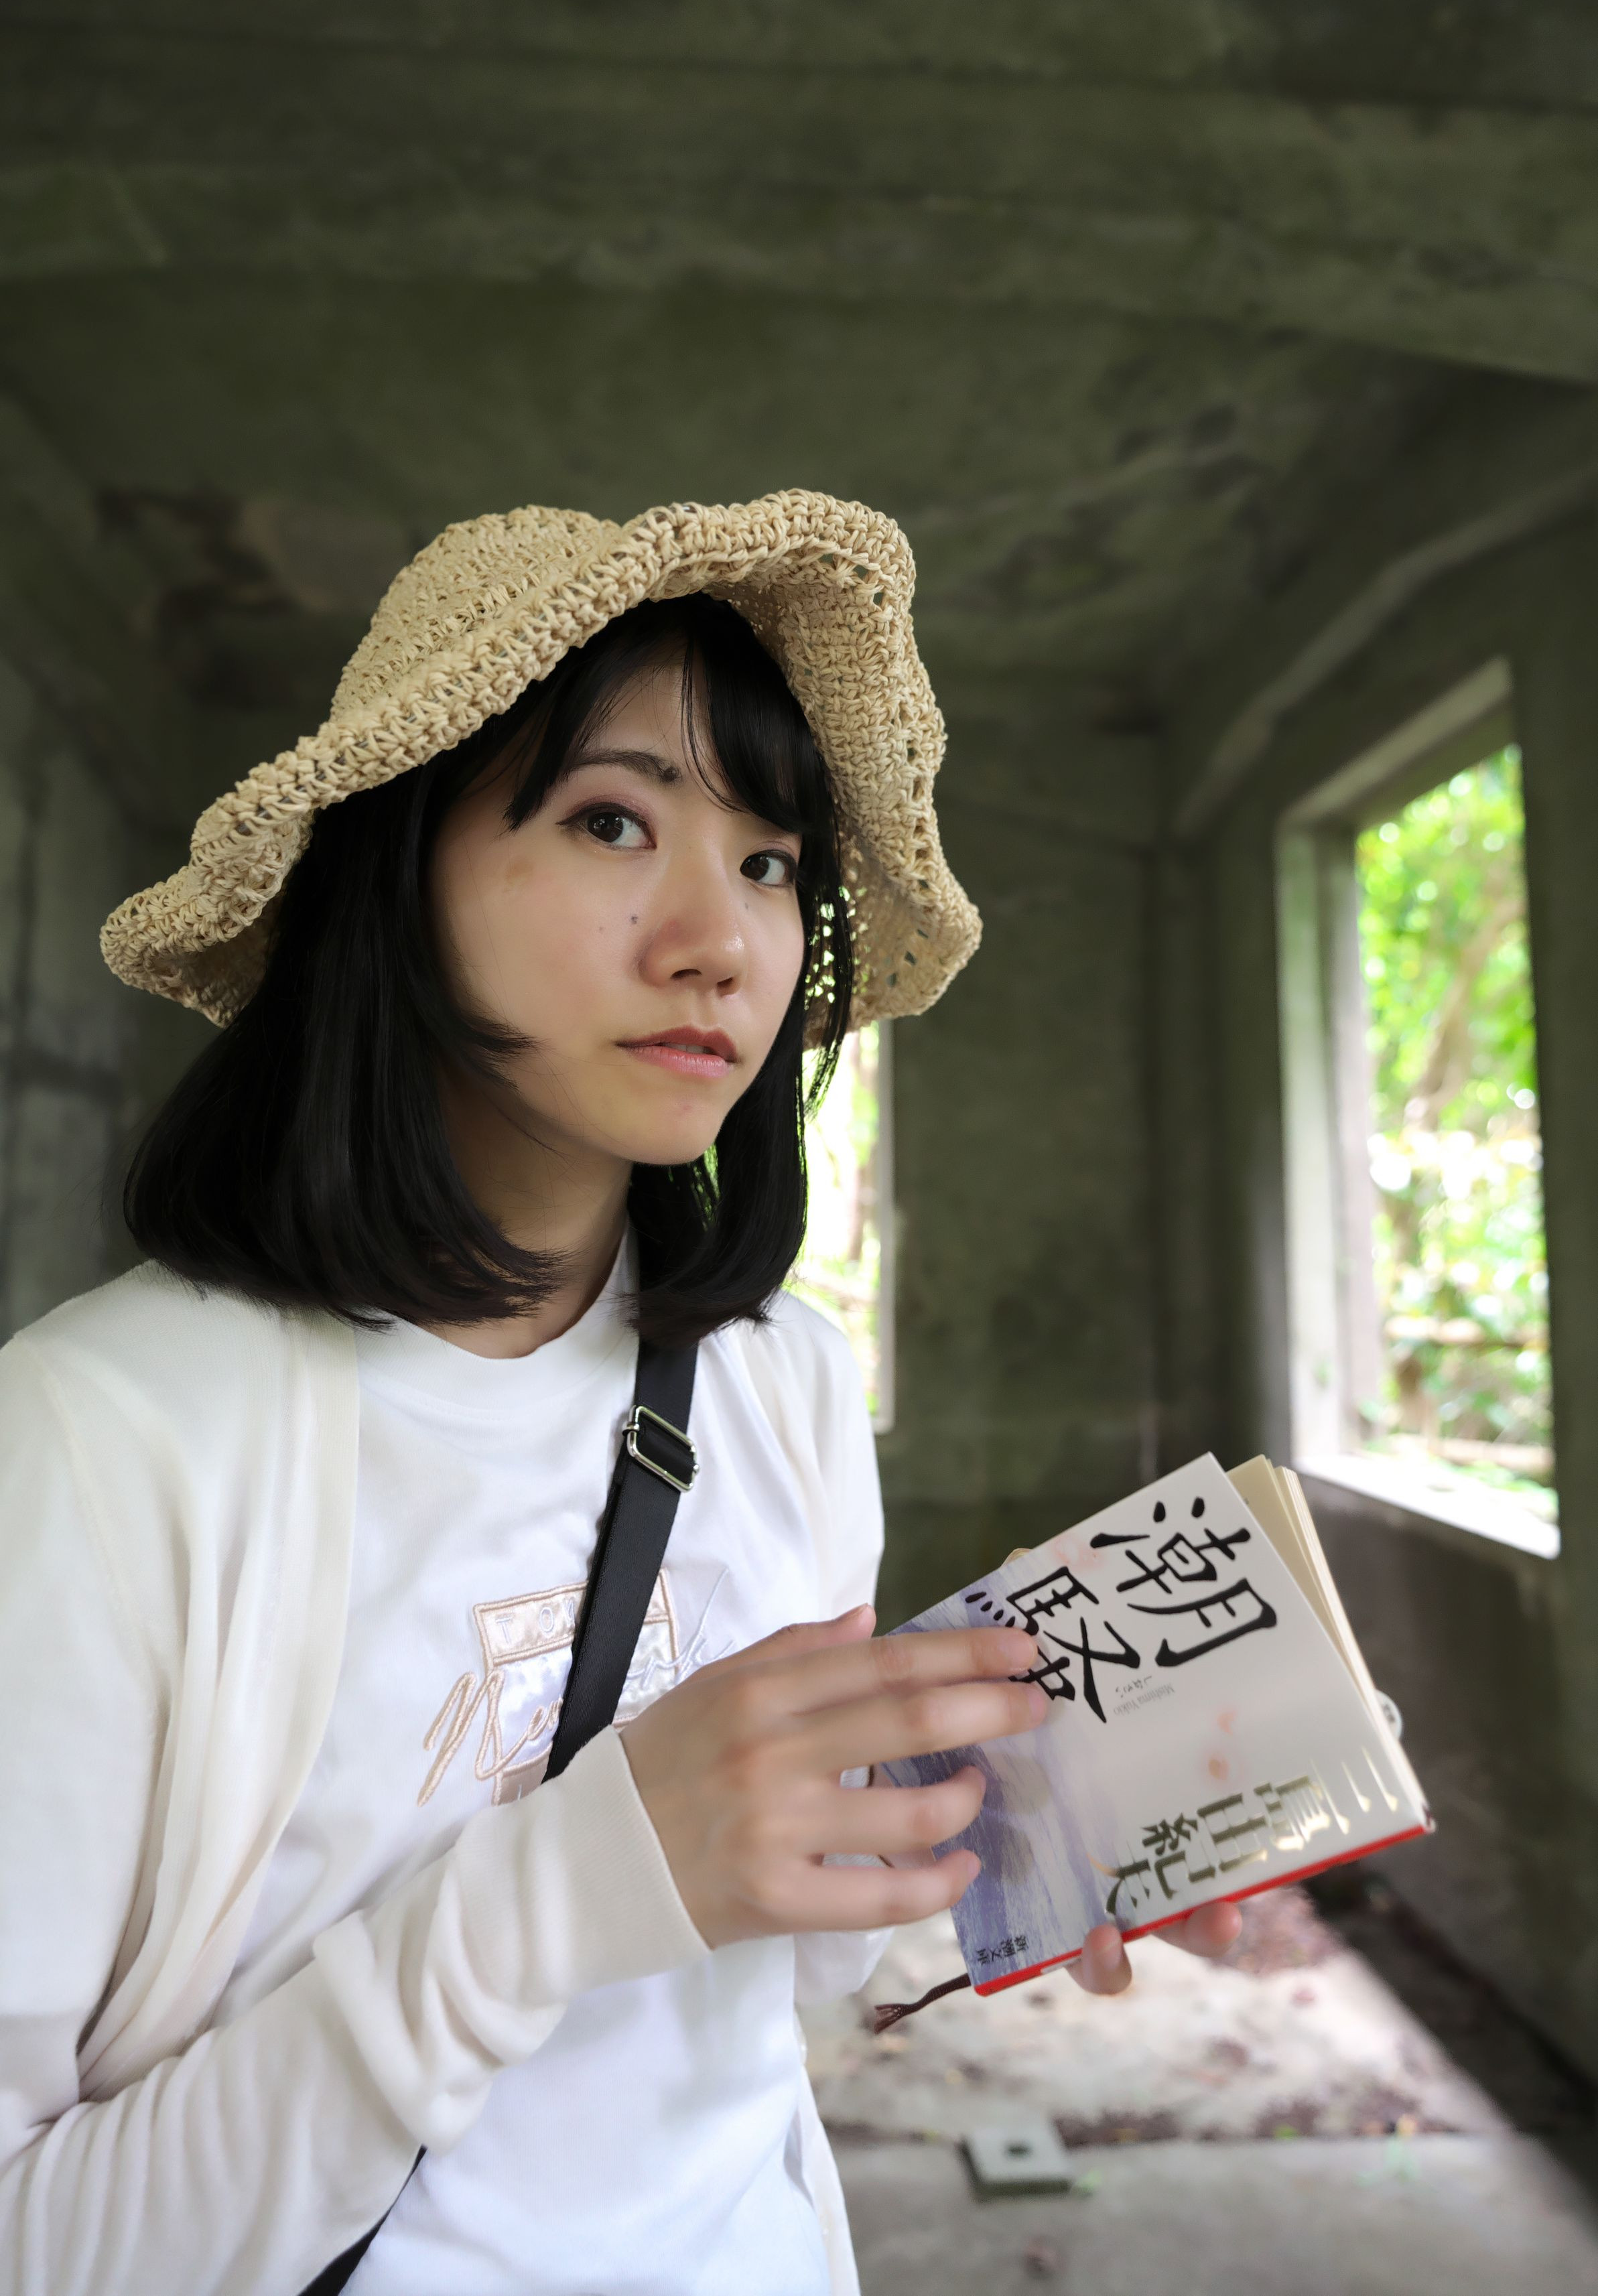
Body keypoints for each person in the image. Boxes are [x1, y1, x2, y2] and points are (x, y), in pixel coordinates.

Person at [0, 493, 1238, 2295]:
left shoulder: (781, 1382)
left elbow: (779, 1988)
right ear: (393, 871)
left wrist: (1034, 1829)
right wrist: (564, 1882)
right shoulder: (97, 1443)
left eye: (771, 862)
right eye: (610, 820)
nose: (721, 940)